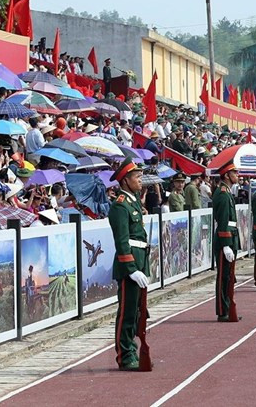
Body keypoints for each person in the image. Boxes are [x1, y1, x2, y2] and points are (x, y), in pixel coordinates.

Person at [107, 157, 150, 371]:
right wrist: (131, 269)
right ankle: (125, 355)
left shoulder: (133, 202)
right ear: (124, 181)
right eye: (136, 176)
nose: (140, 180)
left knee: (136, 312)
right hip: (129, 266)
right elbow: (122, 241)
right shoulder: (120, 206)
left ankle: (131, 349)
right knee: (126, 311)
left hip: (139, 261)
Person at [213, 160, 240, 322]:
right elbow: (223, 221)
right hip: (225, 240)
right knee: (223, 276)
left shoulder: (227, 192)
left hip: (230, 237)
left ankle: (228, 307)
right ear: (227, 175)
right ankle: (223, 310)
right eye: (234, 173)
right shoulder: (223, 194)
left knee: (228, 277)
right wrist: (226, 245)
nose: (237, 175)